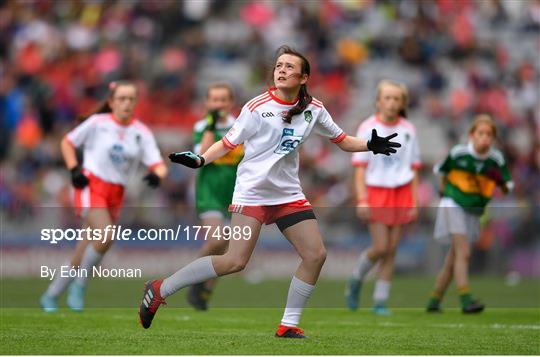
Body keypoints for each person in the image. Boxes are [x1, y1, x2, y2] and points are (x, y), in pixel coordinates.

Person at [138, 45, 401, 338]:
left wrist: (369, 144)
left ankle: (288, 324)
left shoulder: (315, 109)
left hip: (288, 194)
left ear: (304, 77)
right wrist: (200, 160)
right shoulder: (256, 107)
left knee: (315, 255)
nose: (282, 70)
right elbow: (227, 143)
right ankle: (161, 288)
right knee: (234, 262)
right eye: (279, 66)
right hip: (252, 192)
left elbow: (342, 140)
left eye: (289, 66)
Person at [40, 80, 168, 312]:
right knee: (106, 235)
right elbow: (67, 143)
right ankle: (80, 285)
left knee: (83, 251)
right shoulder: (98, 123)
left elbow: (158, 163)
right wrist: (73, 169)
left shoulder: (141, 132)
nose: (126, 103)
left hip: (116, 193)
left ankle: (51, 295)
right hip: (91, 185)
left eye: (131, 99)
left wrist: (158, 175)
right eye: (121, 98)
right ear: (111, 102)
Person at [345, 80, 421, 315]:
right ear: (378, 102)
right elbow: (360, 169)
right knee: (381, 247)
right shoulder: (368, 127)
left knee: (392, 249)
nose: (392, 103)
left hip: (401, 192)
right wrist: (362, 199)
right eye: (387, 98)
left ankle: (380, 300)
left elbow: (413, 167)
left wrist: (414, 201)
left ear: (402, 104)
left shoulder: (408, 129)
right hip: (376, 191)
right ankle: (356, 280)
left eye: (397, 99)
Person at [426, 114, 513, 314]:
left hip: (473, 210)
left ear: (493, 138)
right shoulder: (459, 153)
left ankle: (434, 300)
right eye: (481, 133)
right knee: (464, 253)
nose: (485, 138)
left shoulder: (495, 159)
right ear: (472, 135)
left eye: (489, 135)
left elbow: (507, 185)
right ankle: (466, 300)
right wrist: (443, 191)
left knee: (454, 257)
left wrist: (500, 182)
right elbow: (441, 171)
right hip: (453, 204)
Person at [187, 82, 243, 310]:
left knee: (227, 249)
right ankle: (192, 279)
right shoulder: (202, 126)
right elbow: (201, 155)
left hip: (234, 194)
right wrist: (211, 125)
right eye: (214, 100)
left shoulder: (240, 127)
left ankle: (205, 290)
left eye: (223, 100)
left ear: (230, 103)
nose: (219, 104)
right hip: (208, 192)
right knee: (217, 240)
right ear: (207, 103)